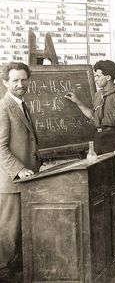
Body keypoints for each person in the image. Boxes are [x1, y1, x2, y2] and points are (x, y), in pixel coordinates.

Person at [0, 62, 41, 281]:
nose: (20, 84)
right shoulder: (3, 107)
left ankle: (15, 265)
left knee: (19, 228)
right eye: (15, 80)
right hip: (11, 181)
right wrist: (20, 170)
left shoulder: (22, 104)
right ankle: (3, 268)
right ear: (5, 82)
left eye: (24, 79)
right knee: (8, 227)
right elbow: (0, 147)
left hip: (27, 179)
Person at [65, 60, 115, 154]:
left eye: (98, 76)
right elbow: (93, 116)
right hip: (98, 139)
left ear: (108, 77)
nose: (95, 79)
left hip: (113, 140)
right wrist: (78, 102)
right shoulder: (97, 95)